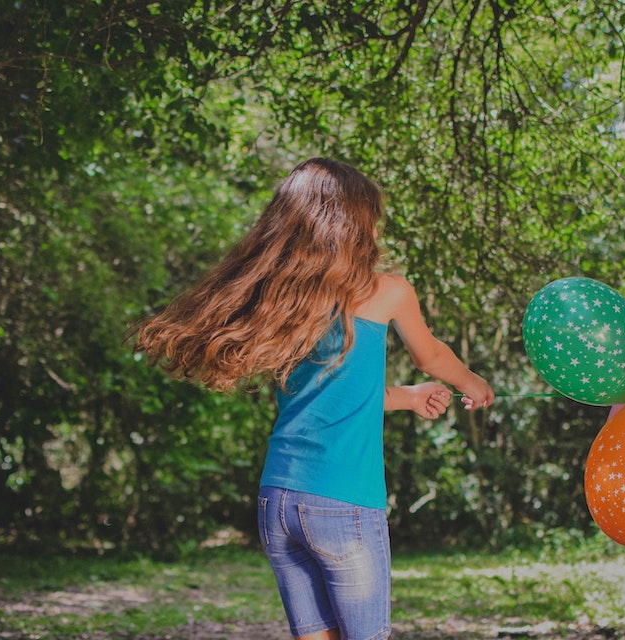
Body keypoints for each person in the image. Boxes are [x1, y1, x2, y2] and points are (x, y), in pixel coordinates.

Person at [132, 157, 494, 640]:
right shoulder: (386, 291)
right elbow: (431, 356)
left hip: (278, 500)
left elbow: (328, 393)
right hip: (342, 503)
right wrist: (472, 382)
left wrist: (407, 398)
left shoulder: (286, 302)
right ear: (356, 222)